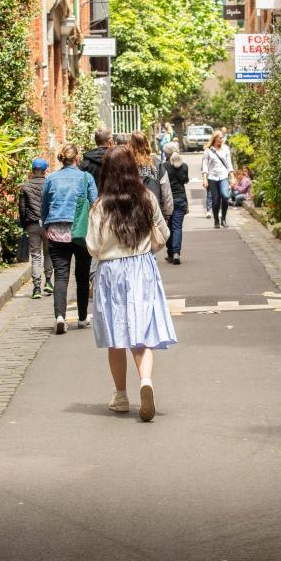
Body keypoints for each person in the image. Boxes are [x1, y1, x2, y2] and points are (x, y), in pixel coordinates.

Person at [86, 146, 177, 422]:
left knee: (117, 336)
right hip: (142, 268)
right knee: (142, 333)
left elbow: (92, 246)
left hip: (112, 272)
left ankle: (121, 395)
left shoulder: (100, 205)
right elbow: (164, 232)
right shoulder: (147, 198)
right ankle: (145, 381)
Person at [41, 143, 98, 334]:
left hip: (57, 232)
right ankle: (82, 317)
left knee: (61, 276)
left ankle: (60, 316)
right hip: (80, 231)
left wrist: (46, 226)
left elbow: (44, 206)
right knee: (82, 276)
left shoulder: (51, 178)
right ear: (77, 157)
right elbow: (95, 203)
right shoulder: (85, 177)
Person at [18, 158, 53, 299]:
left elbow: (22, 208)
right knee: (48, 253)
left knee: (36, 256)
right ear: (45, 171)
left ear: (33, 170)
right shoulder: (49, 184)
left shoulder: (25, 186)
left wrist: (24, 224)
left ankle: (37, 287)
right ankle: (49, 281)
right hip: (47, 224)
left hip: (32, 224)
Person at [127, 130, 173, 219]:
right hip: (154, 212)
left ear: (130, 145)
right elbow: (166, 191)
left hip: (132, 213)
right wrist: (167, 213)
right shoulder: (157, 163)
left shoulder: (126, 164)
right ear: (146, 143)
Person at [201, 130, 234, 228]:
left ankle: (223, 219)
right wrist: (204, 179)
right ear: (215, 138)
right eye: (220, 138)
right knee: (215, 200)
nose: (222, 140)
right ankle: (216, 220)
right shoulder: (208, 150)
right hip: (212, 177)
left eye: (222, 138)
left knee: (225, 196)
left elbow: (229, 164)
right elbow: (205, 166)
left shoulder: (226, 149)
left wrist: (232, 177)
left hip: (224, 176)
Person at [163, 142, 189, 264]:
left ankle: (170, 253)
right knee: (177, 227)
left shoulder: (164, 166)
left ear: (166, 153)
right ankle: (176, 253)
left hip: (168, 200)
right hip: (181, 199)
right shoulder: (184, 166)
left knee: (169, 227)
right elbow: (184, 183)